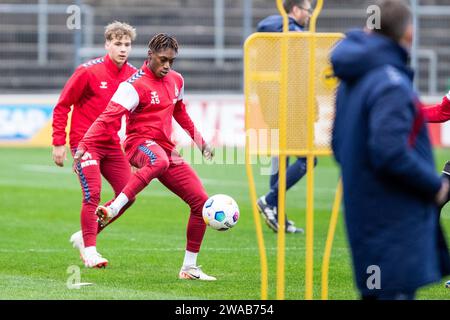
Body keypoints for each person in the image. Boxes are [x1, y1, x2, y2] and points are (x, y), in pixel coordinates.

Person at [331, 0, 450, 299]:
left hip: (363, 212)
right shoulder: (391, 83)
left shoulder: (351, 79)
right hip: (394, 216)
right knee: (391, 291)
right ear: (408, 33)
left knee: (376, 288)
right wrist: (433, 185)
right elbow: (391, 151)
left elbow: (338, 146)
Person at [74, 33, 216, 281]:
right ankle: (114, 207)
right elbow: (108, 116)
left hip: (165, 146)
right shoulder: (132, 85)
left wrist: (201, 142)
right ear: (150, 56)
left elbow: (180, 113)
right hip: (138, 144)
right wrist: (85, 143)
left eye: (171, 61)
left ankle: (189, 268)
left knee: (201, 203)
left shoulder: (177, 80)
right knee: (158, 161)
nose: (167, 66)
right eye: (162, 60)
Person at [52, 21, 138, 268]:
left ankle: (84, 235)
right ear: (107, 44)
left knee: (127, 195)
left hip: (112, 144)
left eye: (127, 44)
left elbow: (136, 113)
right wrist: (59, 142)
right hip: (84, 144)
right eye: (118, 44)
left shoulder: (133, 75)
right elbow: (62, 105)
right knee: (93, 194)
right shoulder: (88, 71)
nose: (123, 49)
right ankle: (90, 251)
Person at [255, 0, 314, 234]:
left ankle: (277, 213)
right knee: (308, 158)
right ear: (296, 10)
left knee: (282, 158)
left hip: (292, 105)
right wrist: (294, 28)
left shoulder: (298, 35)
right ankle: (269, 200)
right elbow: (263, 25)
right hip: (284, 106)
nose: (310, 15)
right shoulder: (282, 27)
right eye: (307, 10)